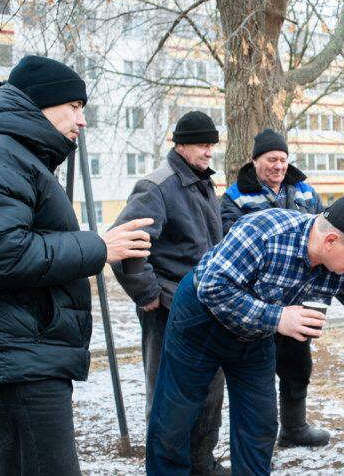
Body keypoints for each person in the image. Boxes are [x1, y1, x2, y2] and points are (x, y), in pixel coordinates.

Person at [0, 55, 152, 475]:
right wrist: (98, 248)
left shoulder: (15, 156)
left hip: (23, 356)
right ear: (39, 103)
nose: (82, 120)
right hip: (13, 361)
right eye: (74, 106)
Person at [146, 196, 344, 475]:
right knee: (176, 418)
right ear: (331, 241)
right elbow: (214, 287)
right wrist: (278, 316)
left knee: (259, 425)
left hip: (255, 335)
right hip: (202, 321)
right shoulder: (263, 232)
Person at [110, 111, 227, 475]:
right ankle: (170, 469)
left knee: (210, 390)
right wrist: (148, 294)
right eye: (202, 145)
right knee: (169, 397)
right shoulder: (157, 186)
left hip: (206, 307)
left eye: (212, 145)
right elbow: (126, 242)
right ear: (180, 144)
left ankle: (201, 463)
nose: (209, 152)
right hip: (168, 309)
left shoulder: (202, 182)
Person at [220, 128, 329, 447]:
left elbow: (323, 230)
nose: (278, 165)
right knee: (259, 371)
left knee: (298, 366)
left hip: (299, 298)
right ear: (255, 161)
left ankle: (294, 429)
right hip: (257, 303)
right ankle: (259, 439)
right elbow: (229, 239)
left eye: (282, 159)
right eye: (271, 159)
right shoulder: (235, 196)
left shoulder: (305, 191)